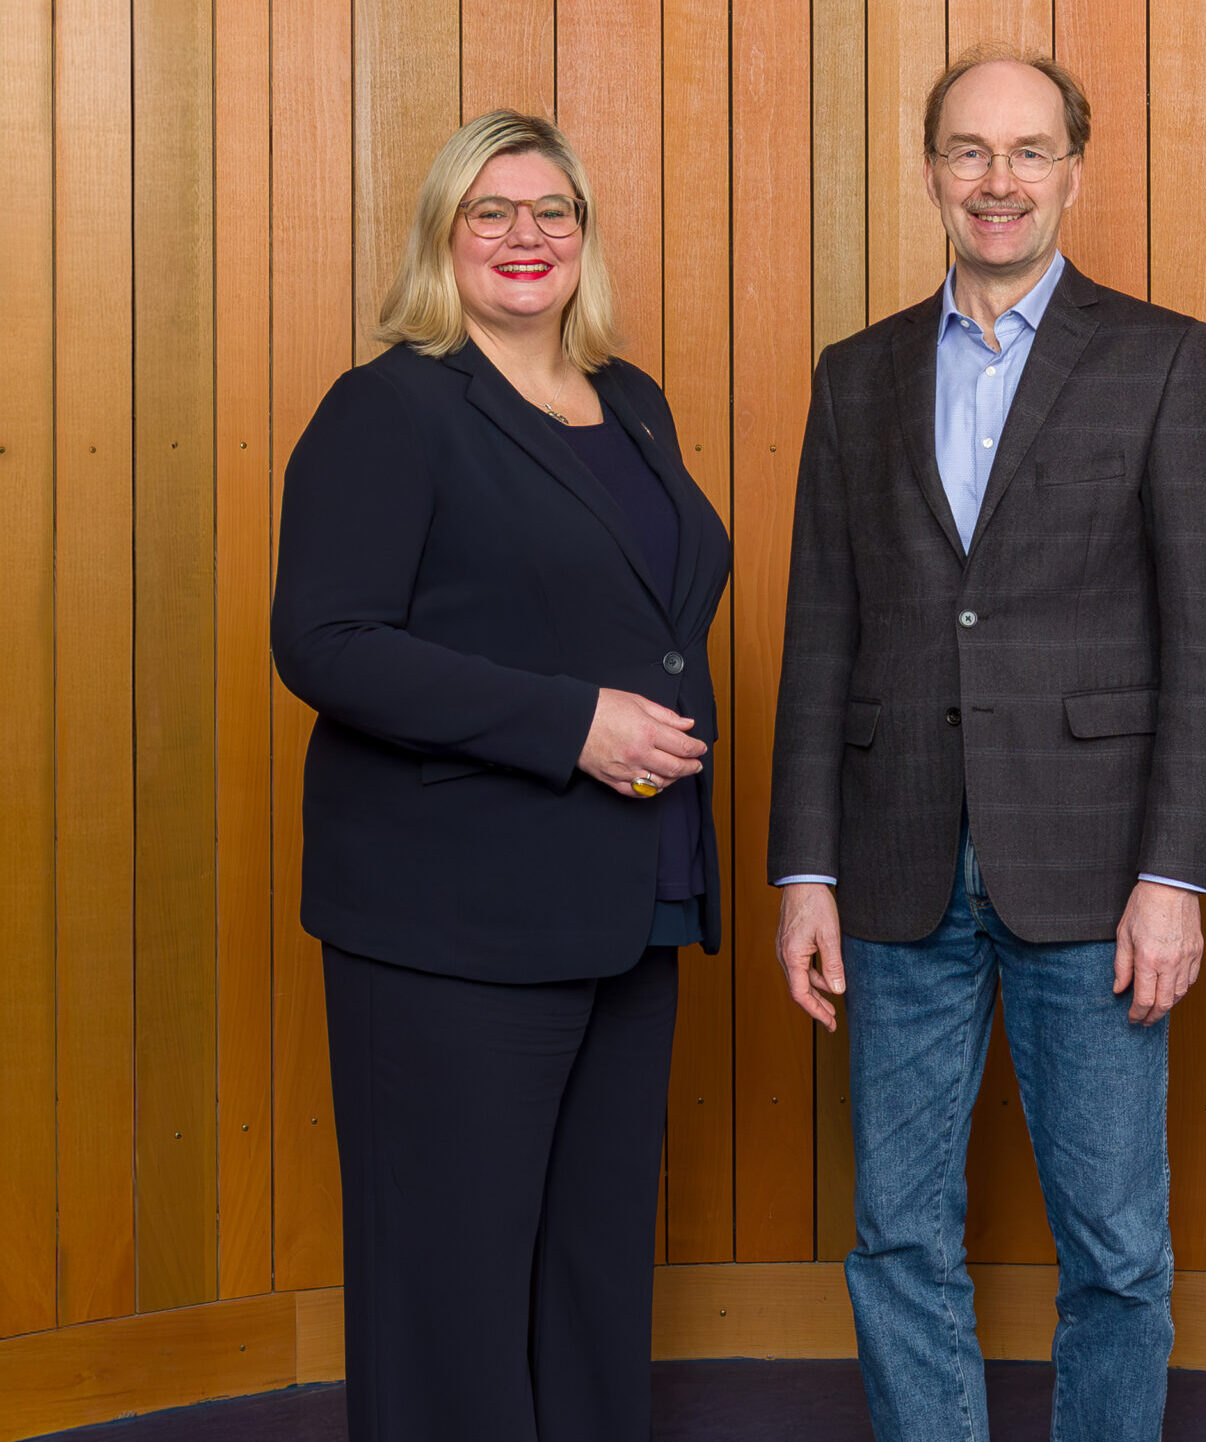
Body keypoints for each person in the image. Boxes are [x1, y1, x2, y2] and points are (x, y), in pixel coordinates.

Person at [765, 44, 1206, 1442]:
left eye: (1030, 152)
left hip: (1096, 876)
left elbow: (1204, 643)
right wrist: (805, 867)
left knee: (1115, 1247)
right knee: (897, 1235)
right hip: (895, 861)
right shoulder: (854, 379)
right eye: (970, 151)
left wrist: (1177, 876)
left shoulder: (1163, 357)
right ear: (930, 171)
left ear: (1074, 173)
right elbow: (820, 635)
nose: (999, 181)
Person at [270, 110, 731, 1442]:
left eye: (553, 213)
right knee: (451, 1295)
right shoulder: (393, 406)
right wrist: (570, 722)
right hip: (450, 922)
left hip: (624, 905)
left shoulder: (628, 399)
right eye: (492, 211)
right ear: (444, 238)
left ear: (584, 239)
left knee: (590, 1281)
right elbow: (326, 639)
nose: (525, 237)